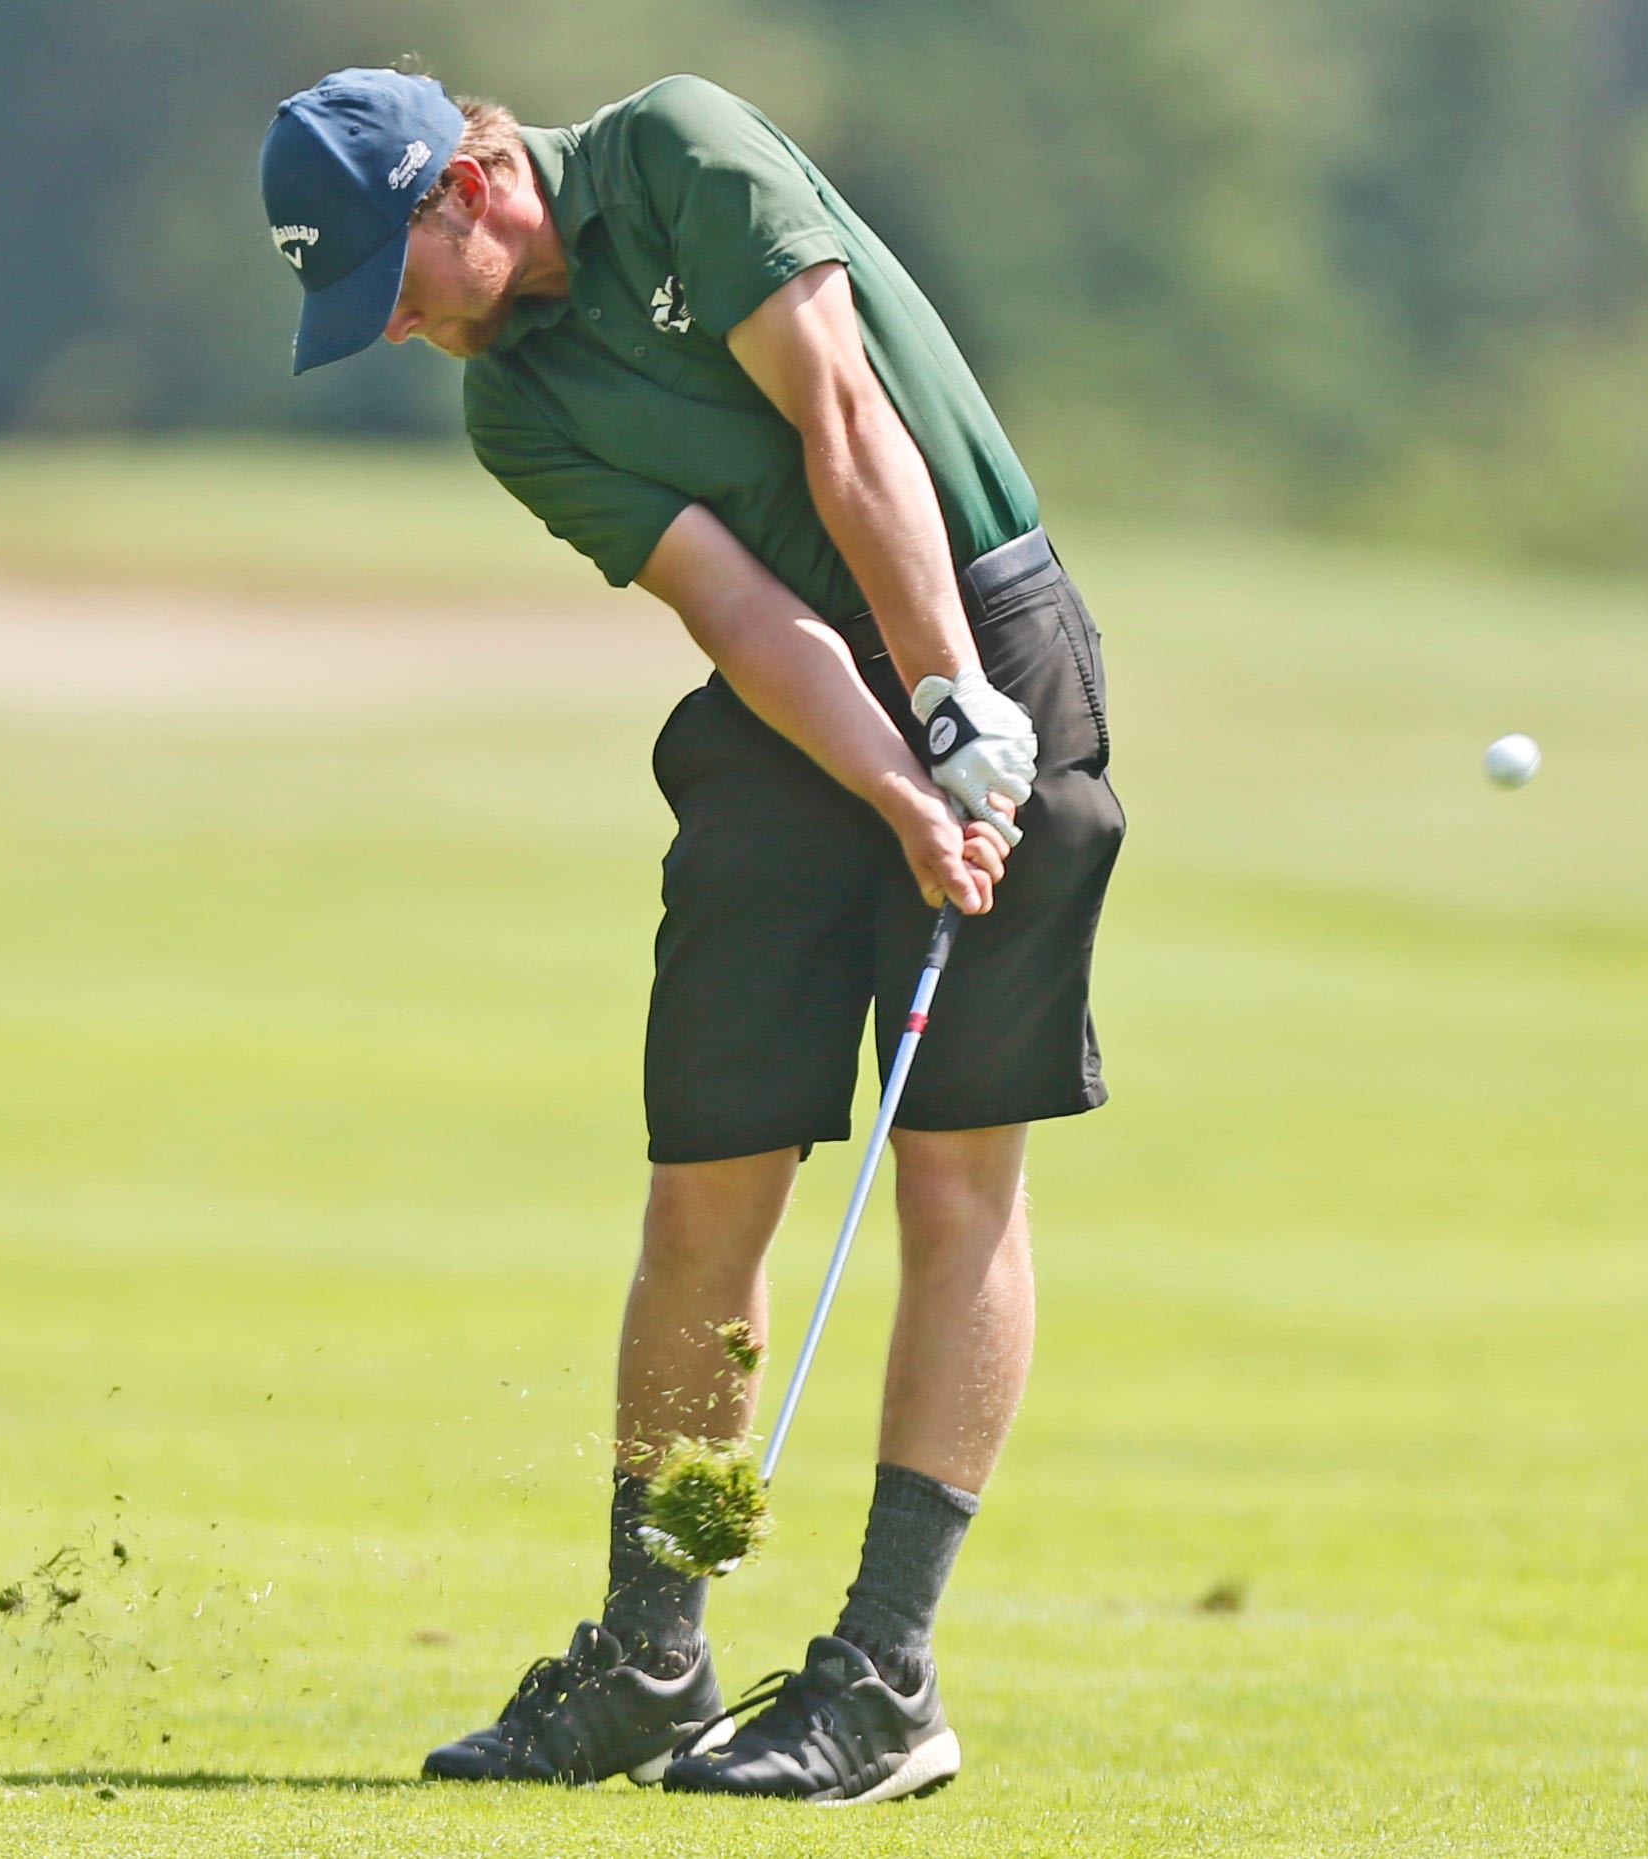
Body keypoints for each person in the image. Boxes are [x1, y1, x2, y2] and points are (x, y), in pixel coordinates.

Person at [259, 65, 1123, 1805]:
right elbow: (736, 605)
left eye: (397, 280)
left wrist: (954, 704)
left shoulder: (679, 153)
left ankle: (885, 1679)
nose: (404, 326)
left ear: (465, 188)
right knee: (708, 1176)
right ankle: (654, 1658)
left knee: (951, 1173)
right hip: (796, 707)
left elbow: (849, 428)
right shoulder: (514, 410)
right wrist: (894, 782)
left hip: (982, 624)